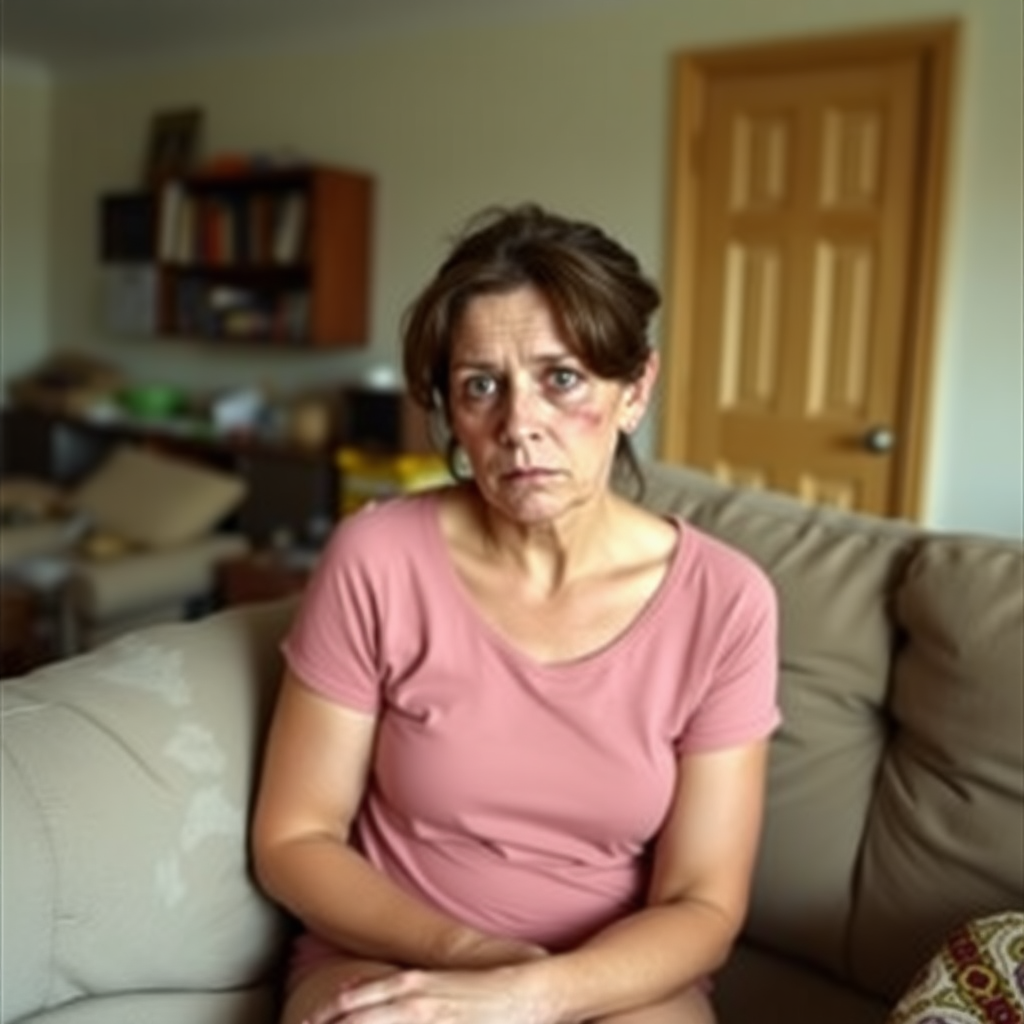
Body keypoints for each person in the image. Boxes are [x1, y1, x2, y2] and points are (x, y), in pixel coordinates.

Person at [251, 203, 780, 1024]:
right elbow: (294, 838)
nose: (518, 425)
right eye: (480, 387)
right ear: (450, 410)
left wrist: (535, 996)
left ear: (634, 388)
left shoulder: (726, 602)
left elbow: (702, 904)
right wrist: (474, 963)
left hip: (612, 986)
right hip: (393, 956)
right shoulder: (377, 558)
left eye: (560, 378)